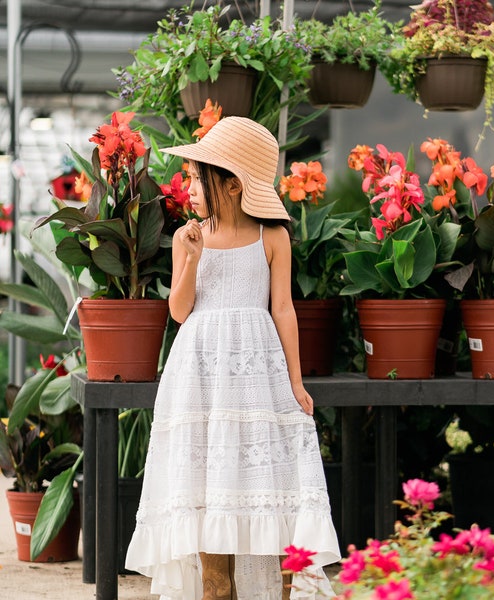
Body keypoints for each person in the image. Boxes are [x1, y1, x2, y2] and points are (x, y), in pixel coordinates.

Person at [125, 116, 341, 600]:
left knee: (267, 487)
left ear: (231, 184)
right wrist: (194, 257)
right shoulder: (188, 237)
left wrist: (296, 381)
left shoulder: (272, 236)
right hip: (200, 374)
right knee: (208, 493)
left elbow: (283, 309)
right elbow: (179, 311)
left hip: (256, 374)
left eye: (198, 178)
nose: (189, 187)